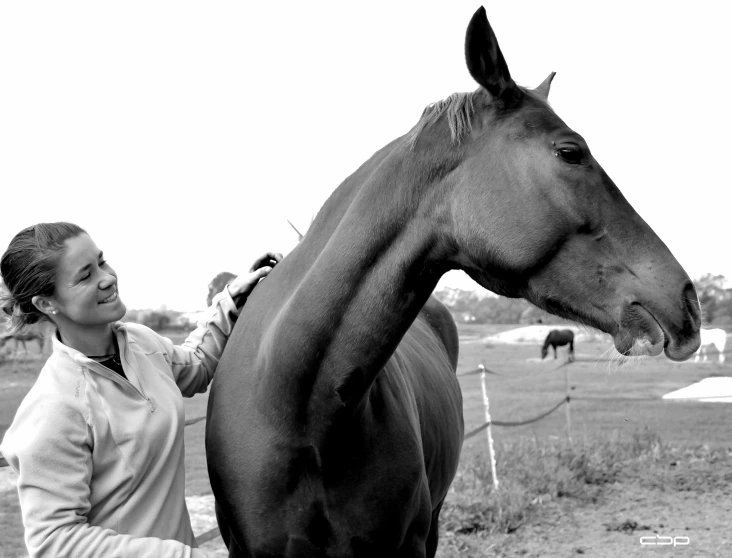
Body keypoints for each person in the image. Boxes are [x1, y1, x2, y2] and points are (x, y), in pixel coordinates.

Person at [0, 222, 281, 558]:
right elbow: (56, 541)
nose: (107, 277)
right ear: (47, 304)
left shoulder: (139, 343)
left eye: (102, 262)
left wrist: (233, 297)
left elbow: (197, 365)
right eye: (85, 275)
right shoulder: (54, 408)